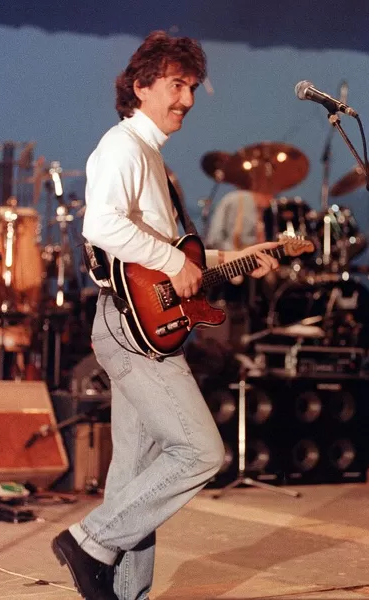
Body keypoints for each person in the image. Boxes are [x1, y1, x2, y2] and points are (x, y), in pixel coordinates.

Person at [51, 31, 279, 600]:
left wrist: (242, 259)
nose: (189, 99)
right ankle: (89, 542)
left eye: (193, 87)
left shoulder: (153, 159)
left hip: (146, 324)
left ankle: (129, 595)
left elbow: (179, 260)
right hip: (132, 332)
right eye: (177, 85)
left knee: (134, 475)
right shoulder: (122, 148)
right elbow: (101, 226)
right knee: (201, 452)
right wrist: (170, 257)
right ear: (140, 85)